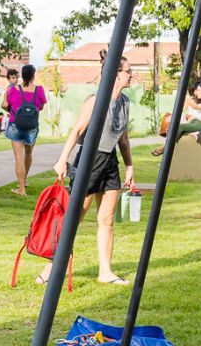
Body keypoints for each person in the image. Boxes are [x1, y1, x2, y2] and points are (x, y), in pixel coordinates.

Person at [47, 69, 135, 286]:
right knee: (74, 219)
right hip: (89, 160)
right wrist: (62, 159)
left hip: (110, 161)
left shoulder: (125, 102)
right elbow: (77, 131)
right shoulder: (95, 101)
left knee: (107, 219)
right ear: (115, 74)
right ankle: (51, 268)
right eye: (128, 71)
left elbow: (123, 139)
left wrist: (130, 166)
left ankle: (105, 272)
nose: (131, 74)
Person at [4, 65, 48, 196]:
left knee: (19, 157)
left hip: (15, 125)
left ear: (22, 76)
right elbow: (40, 107)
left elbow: (8, 106)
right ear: (33, 75)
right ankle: (24, 180)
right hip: (32, 126)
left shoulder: (14, 89)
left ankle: (21, 189)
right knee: (28, 154)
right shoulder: (39, 90)